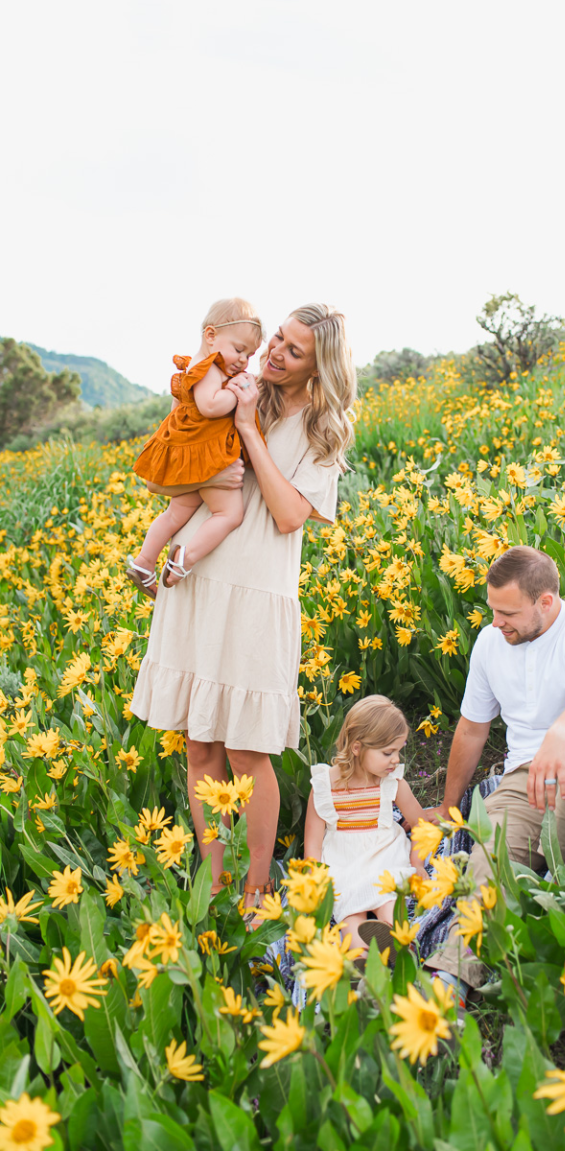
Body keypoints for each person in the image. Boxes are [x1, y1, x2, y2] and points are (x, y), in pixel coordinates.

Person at [130, 304, 356, 919]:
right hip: (198, 579)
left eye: (293, 350)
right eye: (277, 338)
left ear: (319, 367)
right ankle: (216, 882)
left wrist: (251, 431)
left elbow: (288, 516)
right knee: (199, 745)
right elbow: (172, 466)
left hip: (257, 591)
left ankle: (256, 891)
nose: (275, 351)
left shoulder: (322, 429)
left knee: (247, 752)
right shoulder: (233, 388)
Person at [425, 544, 565, 990]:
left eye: (508, 613)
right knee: (490, 853)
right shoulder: (490, 643)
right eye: (492, 609)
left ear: (546, 601)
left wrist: (561, 733)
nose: (496, 622)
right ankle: (453, 977)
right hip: (530, 779)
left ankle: (548, 880)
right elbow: (472, 729)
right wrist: (449, 806)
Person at [126, 298, 263, 598]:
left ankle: (144, 562)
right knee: (229, 514)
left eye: (250, 355)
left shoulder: (201, 365)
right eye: (239, 349)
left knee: (175, 514)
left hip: (192, 453)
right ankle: (183, 559)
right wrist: (236, 391)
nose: (243, 360)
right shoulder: (209, 367)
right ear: (211, 335)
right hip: (208, 457)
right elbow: (209, 406)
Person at [304, 695, 427, 953]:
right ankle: (359, 957)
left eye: (398, 751)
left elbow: (422, 825)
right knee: (348, 908)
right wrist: (314, 880)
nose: (396, 760)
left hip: (383, 852)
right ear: (357, 748)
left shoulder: (391, 783)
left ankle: (399, 945)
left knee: (389, 900)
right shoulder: (324, 786)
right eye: (388, 753)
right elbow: (313, 845)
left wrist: (416, 863)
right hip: (343, 859)